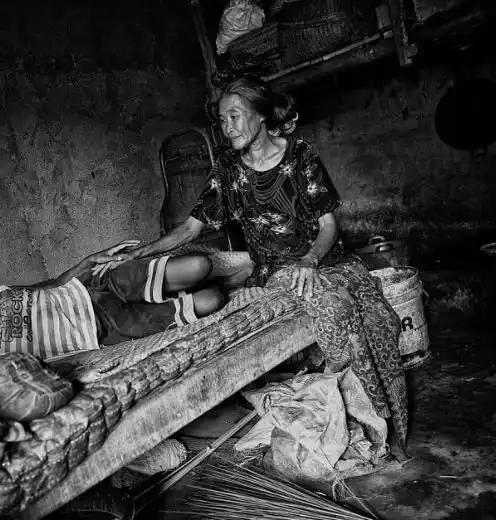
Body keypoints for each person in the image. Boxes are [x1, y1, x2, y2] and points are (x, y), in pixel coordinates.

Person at [98, 75, 409, 455]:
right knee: (335, 310)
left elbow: (328, 225)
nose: (228, 127)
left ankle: (391, 424)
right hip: (277, 269)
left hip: (327, 260)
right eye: (222, 120)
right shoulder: (228, 170)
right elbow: (190, 229)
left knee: (379, 318)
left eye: (235, 116)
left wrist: (310, 260)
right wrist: (140, 253)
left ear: (261, 115)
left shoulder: (301, 156)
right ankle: (363, 422)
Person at [0, 242, 226, 361]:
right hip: (105, 330)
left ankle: (201, 276)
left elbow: (49, 286)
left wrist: (88, 262)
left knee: (201, 265)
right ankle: (179, 297)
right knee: (214, 299)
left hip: (97, 288)